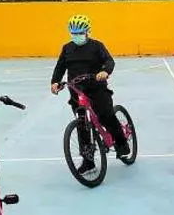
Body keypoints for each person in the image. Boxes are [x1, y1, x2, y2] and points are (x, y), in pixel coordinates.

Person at [51, 14, 130, 172]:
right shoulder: (67, 48)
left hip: (96, 87)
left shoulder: (97, 46)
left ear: (87, 32)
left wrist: (105, 71)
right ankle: (88, 161)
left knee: (106, 116)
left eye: (80, 33)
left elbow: (109, 61)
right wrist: (55, 82)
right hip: (76, 90)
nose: (77, 36)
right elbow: (60, 67)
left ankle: (122, 144)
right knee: (82, 125)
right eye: (74, 33)